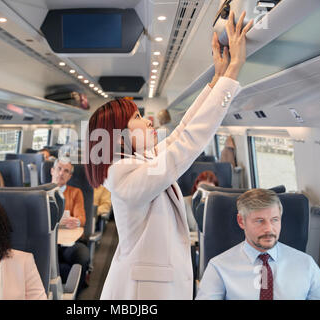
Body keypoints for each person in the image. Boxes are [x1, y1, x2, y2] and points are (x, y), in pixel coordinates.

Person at [84, 11, 252, 299]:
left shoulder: (137, 164)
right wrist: (234, 68)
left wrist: (219, 77)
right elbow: (187, 143)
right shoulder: (124, 175)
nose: (149, 121)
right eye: (137, 116)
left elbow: (180, 133)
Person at [195, 189, 320, 300]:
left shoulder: (306, 264)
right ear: (241, 221)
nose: (269, 228)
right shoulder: (219, 267)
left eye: (274, 220)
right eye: (260, 221)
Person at [50, 158, 90, 287]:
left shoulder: (75, 193)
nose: (61, 173)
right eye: (59, 169)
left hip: (68, 243)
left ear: (70, 176)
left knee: (81, 256)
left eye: (66, 171)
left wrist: (76, 221)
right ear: (52, 171)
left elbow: (82, 218)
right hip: (47, 242)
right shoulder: (39, 192)